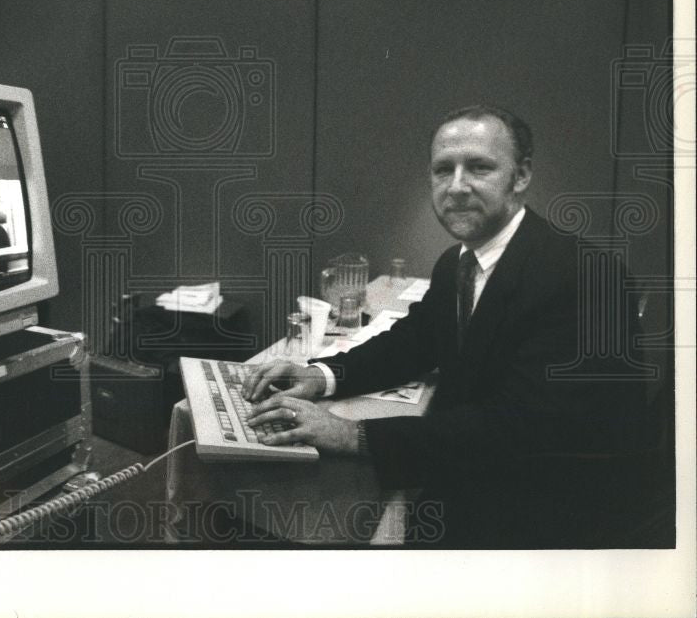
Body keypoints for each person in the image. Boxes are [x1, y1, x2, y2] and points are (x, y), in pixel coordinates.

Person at [244, 105, 653, 547]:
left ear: (521, 176)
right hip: (490, 473)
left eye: (478, 167)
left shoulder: (585, 274)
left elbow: (519, 426)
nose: (456, 187)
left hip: (544, 514)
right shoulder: (458, 260)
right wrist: (321, 374)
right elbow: (416, 340)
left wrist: (352, 435)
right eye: (443, 170)